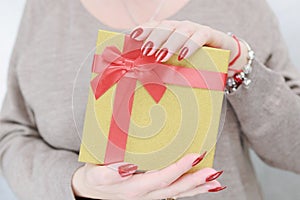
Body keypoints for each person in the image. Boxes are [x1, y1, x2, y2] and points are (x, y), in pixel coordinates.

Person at [0, 0, 299, 199]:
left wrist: (241, 65)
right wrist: (77, 183)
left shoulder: (241, 6)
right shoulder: (44, 9)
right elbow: (13, 134)